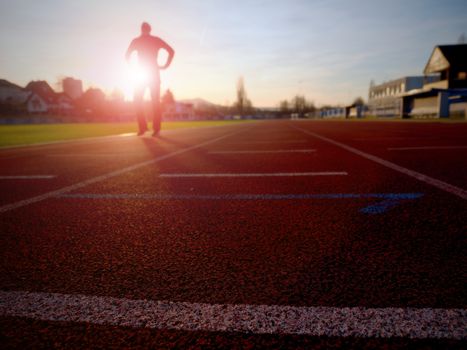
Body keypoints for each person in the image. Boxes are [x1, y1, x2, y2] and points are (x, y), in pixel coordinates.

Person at [126, 22, 175, 136]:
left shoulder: (137, 41)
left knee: (139, 100)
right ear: (150, 29)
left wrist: (132, 67)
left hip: (142, 74)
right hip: (151, 73)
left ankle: (144, 127)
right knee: (154, 101)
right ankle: (155, 128)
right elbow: (171, 51)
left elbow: (127, 56)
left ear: (141, 29)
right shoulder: (155, 40)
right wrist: (165, 65)